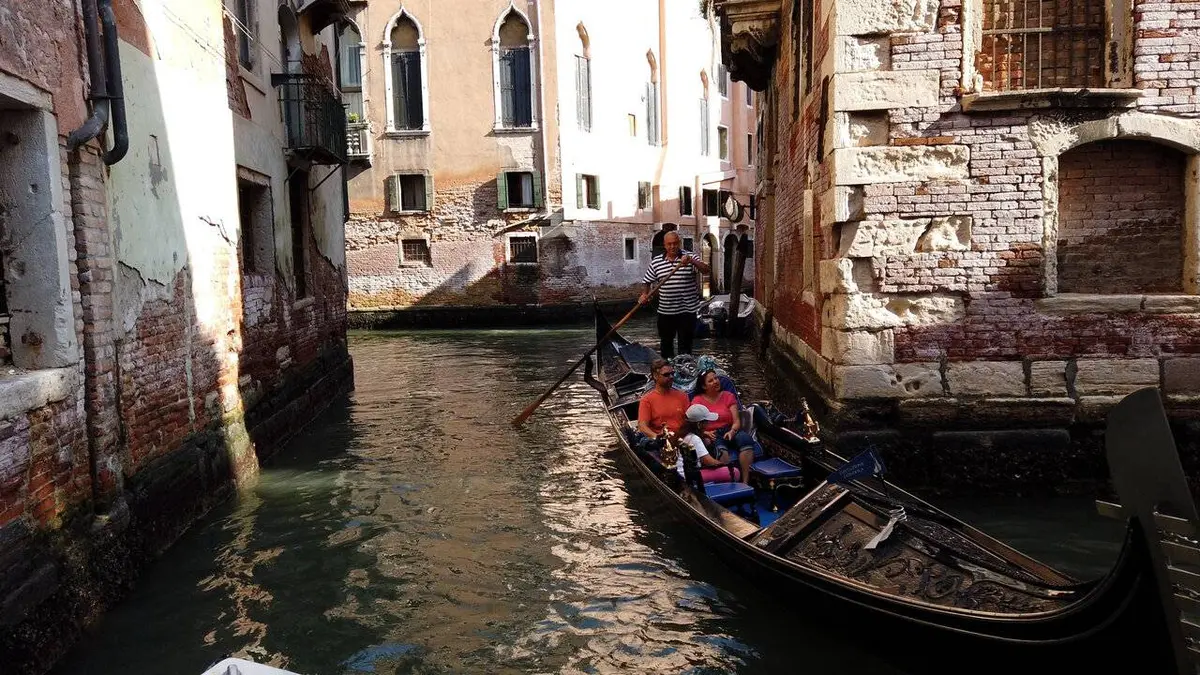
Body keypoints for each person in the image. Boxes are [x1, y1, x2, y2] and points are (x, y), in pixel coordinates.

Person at [639, 230, 711, 359]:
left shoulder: (690, 257)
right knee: (666, 345)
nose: (672, 246)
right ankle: (668, 368)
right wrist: (644, 294)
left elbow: (706, 270)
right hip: (666, 311)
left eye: (675, 243)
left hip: (687, 311)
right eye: (669, 244)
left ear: (680, 243)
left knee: (685, 346)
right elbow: (647, 280)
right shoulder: (656, 262)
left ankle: (684, 368)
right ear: (664, 245)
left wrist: (691, 261)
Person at [690, 368, 757, 484]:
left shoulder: (728, 396)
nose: (716, 381)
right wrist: (705, 433)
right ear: (704, 386)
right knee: (721, 449)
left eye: (716, 378)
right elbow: (694, 424)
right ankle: (730, 481)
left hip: (730, 429)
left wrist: (732, 431)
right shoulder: (697, 401)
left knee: (745, 440)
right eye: (711, 381)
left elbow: (736, 421)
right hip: (712, 433)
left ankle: (746, 482)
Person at [668, 404, 741, 483]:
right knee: (735, 472)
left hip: (680, 474)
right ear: (699, 424)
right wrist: (726, 465)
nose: (708, 424)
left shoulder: (682, 434)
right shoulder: (694, 439)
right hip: (688, 477)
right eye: (706, 422)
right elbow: (709, 462)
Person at [637, 358, 690, 441]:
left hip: (683, 438)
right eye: (666, 375)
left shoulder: (683, 396)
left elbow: (690, 421)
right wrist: (657, 439)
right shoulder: (647, 400)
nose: (671, 377)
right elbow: (642, 426)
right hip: (662, 440)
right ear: (655, 376)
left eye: (672, 373)